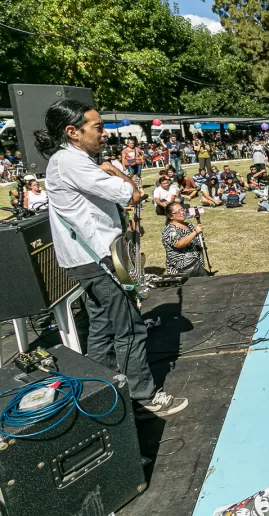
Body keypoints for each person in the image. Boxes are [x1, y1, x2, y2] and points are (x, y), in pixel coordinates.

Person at [34, 99, 187, 418]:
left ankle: (100, 393)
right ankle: (143, 395)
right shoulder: (72, 162)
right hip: (100, 261)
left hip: (87, 260)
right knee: (130, 327)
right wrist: (114, 169)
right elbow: (130, 194)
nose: (105, 134)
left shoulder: (66, 161)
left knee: (102, 329)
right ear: (72, 132)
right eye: (98, 127)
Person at [161, 201, 207, 278]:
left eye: (182, 210)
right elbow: (178, 244)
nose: (182, 212)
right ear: (170, 216)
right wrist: (195, 232)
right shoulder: (169, 229)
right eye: (178, 212)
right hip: (183, 269)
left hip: (196, 265)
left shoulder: (188, 225)